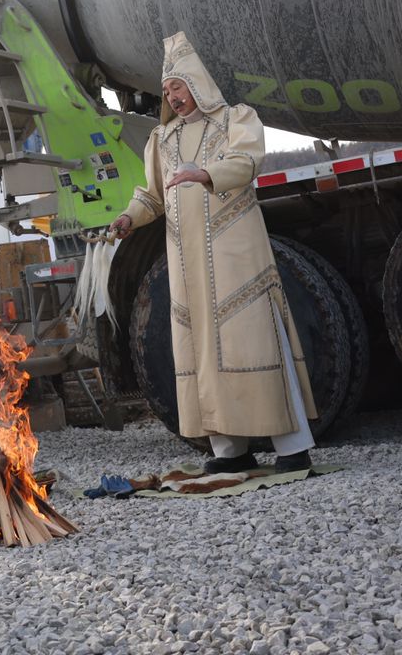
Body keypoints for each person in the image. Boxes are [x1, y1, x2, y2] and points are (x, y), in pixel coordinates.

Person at [110, 31, 318, 474]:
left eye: (177, 87)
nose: (171, 97)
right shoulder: (161, 140)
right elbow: (151, 196)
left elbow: (245, 164)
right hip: (188, 268)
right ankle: (229, 451)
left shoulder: (234, 120)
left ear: (196, 84)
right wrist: (129, 217)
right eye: (166, 91)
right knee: (200, 351)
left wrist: (203, 173)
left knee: (257, 339)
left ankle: (292, 447)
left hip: (235, 257)